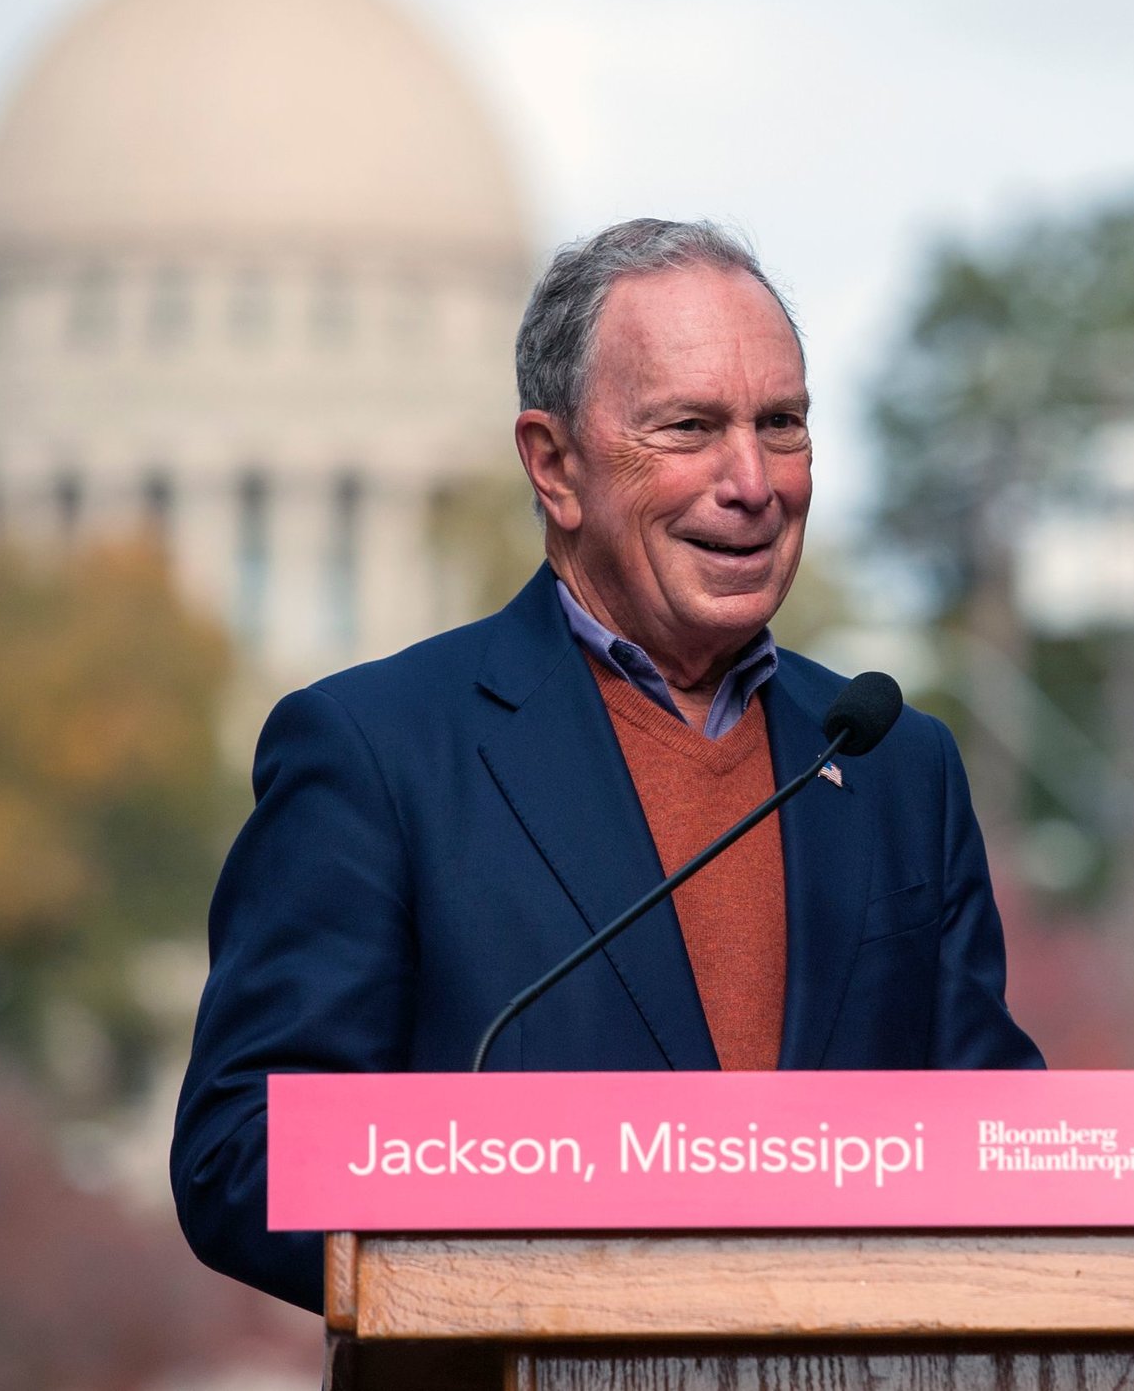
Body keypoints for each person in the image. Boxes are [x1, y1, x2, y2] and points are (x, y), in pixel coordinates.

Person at [172, 220, 1044, 1311]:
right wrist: (534, 1262)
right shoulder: (377, 753)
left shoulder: (891, 762)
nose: (751, 481)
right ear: (554, 465)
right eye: (689, 427)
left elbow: (998, 1145)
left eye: (781, 425)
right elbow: (240, 1153)